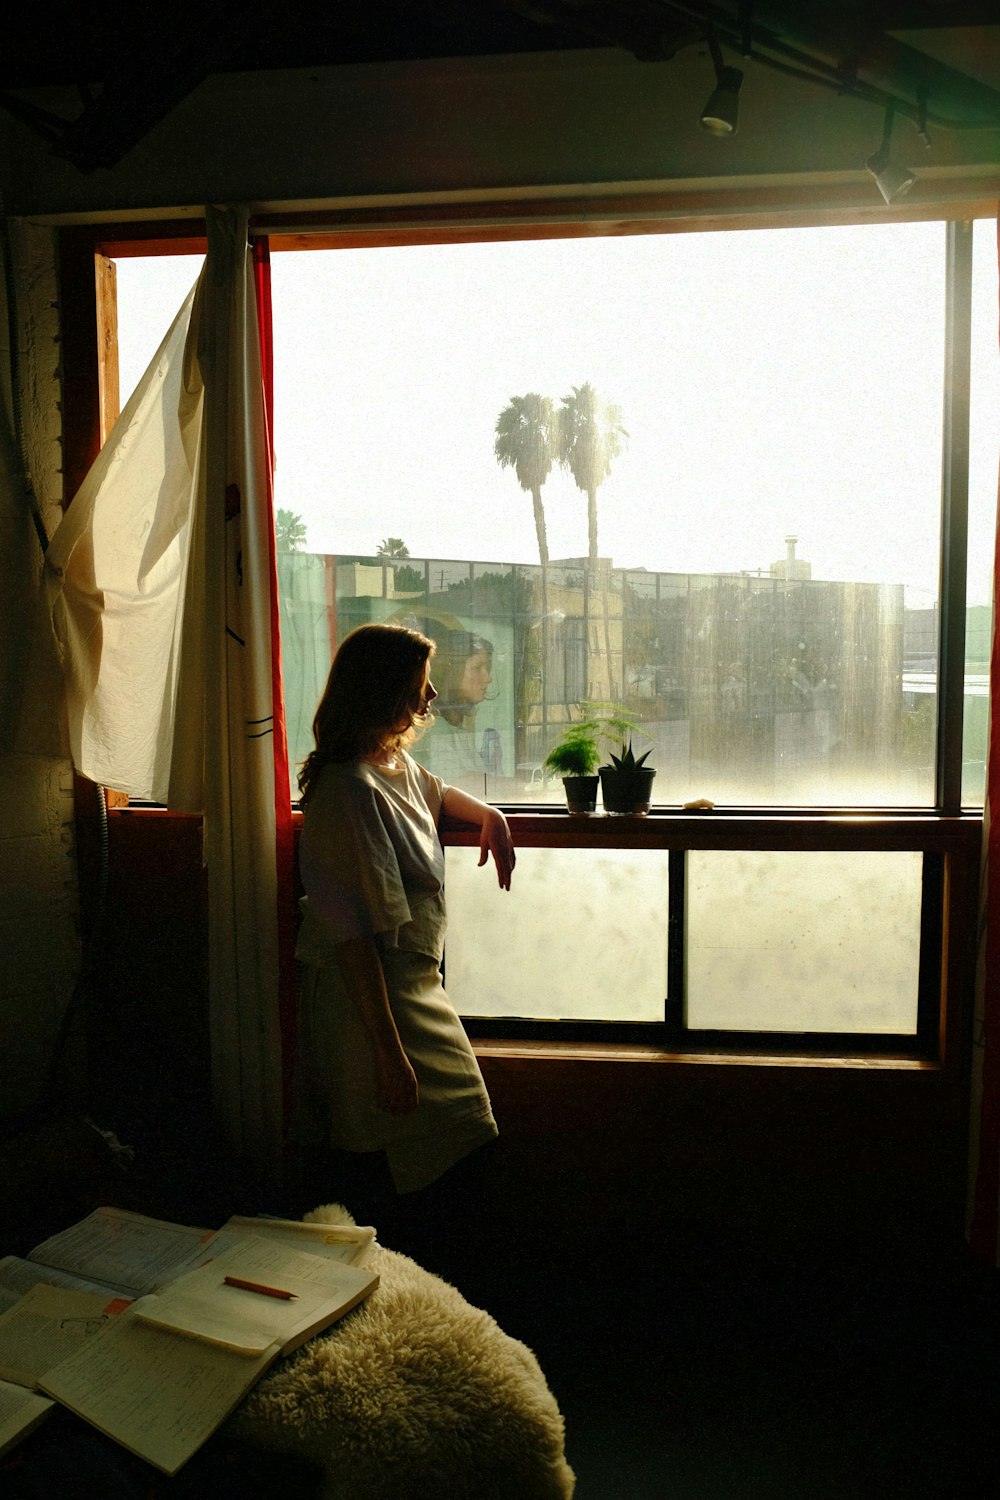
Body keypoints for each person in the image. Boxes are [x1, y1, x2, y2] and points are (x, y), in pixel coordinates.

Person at [292, 621, 515, 1239]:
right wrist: (389, 1056)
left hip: (414, 986)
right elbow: (354, 938)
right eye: (421, 684)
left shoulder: (391, 763)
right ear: (385, 693)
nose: (433, 695)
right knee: (411, 1159)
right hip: (373, 999)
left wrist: (489, 814)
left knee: (455, 1143)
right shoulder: (346, 793)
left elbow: (434, 794)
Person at [410, 627, 500, 790]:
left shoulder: (454, 729)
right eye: (477, 668)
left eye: (487, 668)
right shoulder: (432, 731)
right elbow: (453, 787)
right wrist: (520, 785)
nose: (488, 678)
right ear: (451, 671)